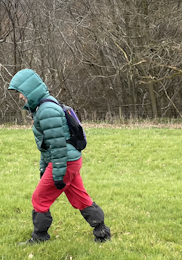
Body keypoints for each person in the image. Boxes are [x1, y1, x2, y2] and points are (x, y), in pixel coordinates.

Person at [8, 69, 111, 243]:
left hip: (65, 162)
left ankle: (40, 237)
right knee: (79, 197)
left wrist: (57, 174)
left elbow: (57, 145)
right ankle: (102, 232)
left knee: (39, 199)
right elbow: (46, 146)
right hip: (69, 161)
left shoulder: (47, 110)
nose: (20, 97)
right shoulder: (43, 107)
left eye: (20, 92)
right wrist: (44, 167)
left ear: (30, 89)